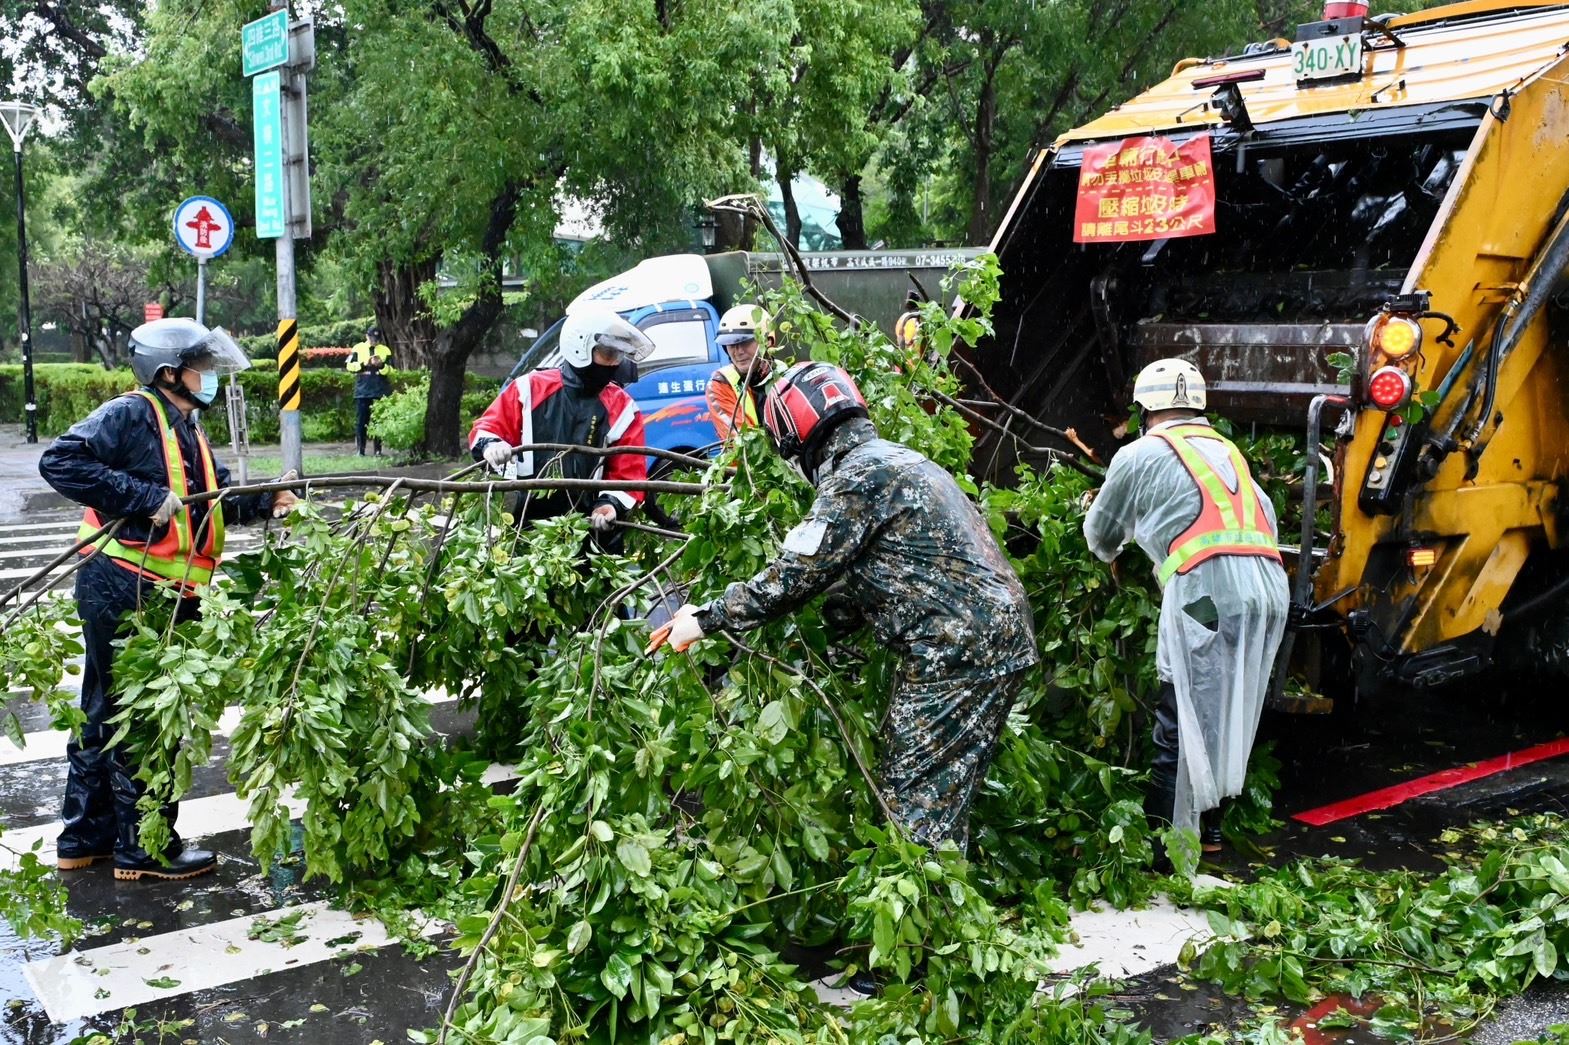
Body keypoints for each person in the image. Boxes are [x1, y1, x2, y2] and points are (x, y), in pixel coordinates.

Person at [649, 361, 1038, 851]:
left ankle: (928, 913)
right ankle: (948, 901)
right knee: (945, 790)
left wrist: (705, 618)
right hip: (995, 634)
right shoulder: (898, 459)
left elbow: (793, 576)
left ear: (796, 436)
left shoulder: (856, 478)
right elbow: (893, 568)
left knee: (911, 797)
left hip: (954, 646)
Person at [38, 318, 299, 882]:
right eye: (199, 367)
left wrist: (265, 504)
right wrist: (143, 497)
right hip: (127, 584)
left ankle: (85, 836)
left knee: (106, 710)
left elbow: (210, 498)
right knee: (147, 717)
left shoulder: (186, 428)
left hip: (154, 587)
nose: (208, 377)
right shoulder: (133, 414)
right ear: (168, 372)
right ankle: (145, 849)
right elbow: (60, 461)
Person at [1081, 358, 1289, 858]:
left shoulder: (1140, 454)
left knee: (1182, 706)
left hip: (1204, 597)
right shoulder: (1230, 452)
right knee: (1222, 707)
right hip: (1264, 595)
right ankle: (1212, 830)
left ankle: (1166, 842)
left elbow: (1101, 538)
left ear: (1145, 408)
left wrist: (1107, 528)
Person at [468, 308, 655, 554]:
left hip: (591, 531)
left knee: (599, 590)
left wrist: (610, 504)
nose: (614, 363)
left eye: (618, 355)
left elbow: (629, 474)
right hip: (528, 527)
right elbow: (487, 427)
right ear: (580, 347)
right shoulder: (529, 389)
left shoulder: (622, 407)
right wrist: (492, 445)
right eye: (608, 353)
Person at [705, 304, 775, 443]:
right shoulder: (721, 382)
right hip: (746, 464)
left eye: (745, 342)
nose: (738, 351)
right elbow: (742, 443)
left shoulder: (785, 375)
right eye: (731, 344)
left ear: (767, 342)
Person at [346, 325, 393, 456]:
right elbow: (349, 366)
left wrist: (381, 365)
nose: (374, 341)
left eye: (376, 338)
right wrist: (363, 364)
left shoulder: (385, 350)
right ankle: (360, 450)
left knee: (379, 420)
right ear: (367, 336)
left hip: (380, 388)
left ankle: (378, 450)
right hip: (363, 390)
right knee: (362, 421)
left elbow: (391, 369)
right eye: (372, 338)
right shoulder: (358, 348)